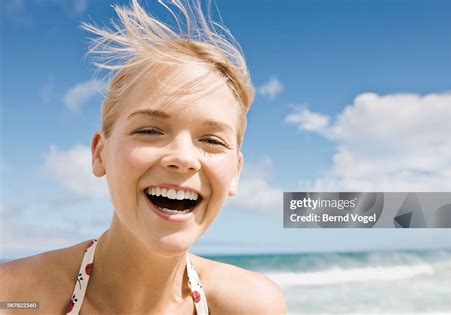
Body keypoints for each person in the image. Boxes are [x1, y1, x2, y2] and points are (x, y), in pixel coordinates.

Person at [0, 0, 287, 314]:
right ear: (100, 154)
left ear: (235, 172)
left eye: (211, 140)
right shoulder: (15, 297)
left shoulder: (251, 305)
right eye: (150, 131)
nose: (183, 157)